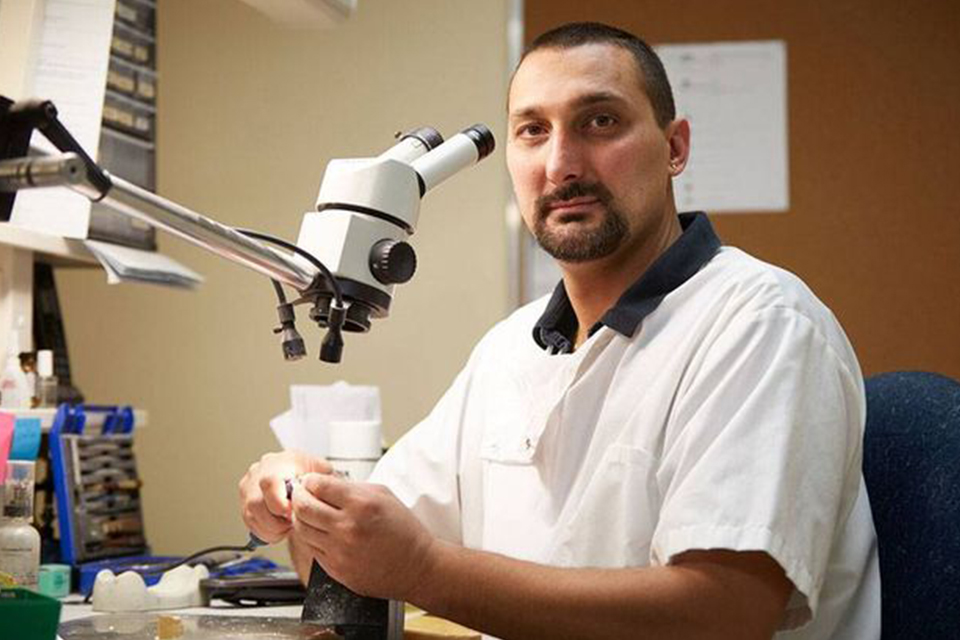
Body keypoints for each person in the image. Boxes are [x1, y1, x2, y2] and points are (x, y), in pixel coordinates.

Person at [239, 22, 880, 640]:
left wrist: (424, 570)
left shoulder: (760, 325)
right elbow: (361, 563)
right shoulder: (508, 351)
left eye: (600, 122)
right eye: (532, 131)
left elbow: (723, 615)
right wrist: (302, 506)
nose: (562, 162)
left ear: (675, 147)